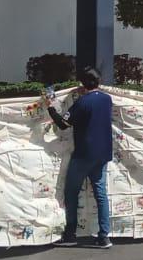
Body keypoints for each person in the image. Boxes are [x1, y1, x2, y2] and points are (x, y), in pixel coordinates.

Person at [47, 67, 116, 248]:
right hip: (103, 154)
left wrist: (51, 109)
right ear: (98, 81)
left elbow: (63, 124)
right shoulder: (107, 99)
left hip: (84, 155)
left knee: (71, 192)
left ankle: (70, 234)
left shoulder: (82, 103)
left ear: (82, 83)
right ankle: (104, 236)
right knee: (100, 194)